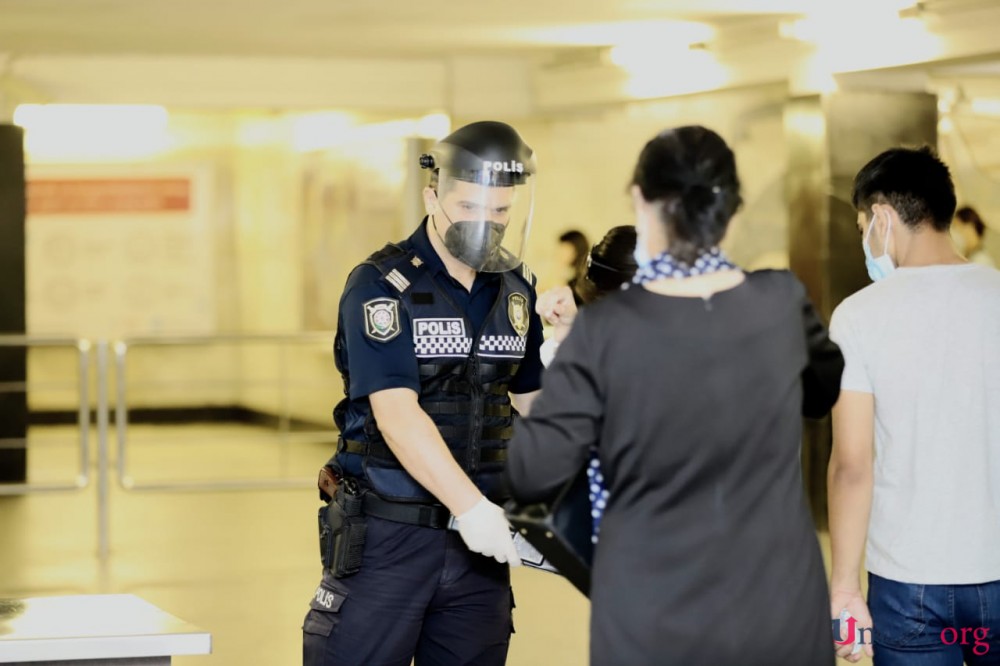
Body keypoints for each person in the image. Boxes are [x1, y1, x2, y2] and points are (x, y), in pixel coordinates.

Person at [506, 125, 844, 665]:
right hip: (780, 606)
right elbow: (821, 391)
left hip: (653, 612)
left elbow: (532, 471)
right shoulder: (782, 303)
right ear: (732, 210)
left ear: (640, 200)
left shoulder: (602, 332)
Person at [302, 120, 546, 666]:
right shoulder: (380, 285)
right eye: (469, 206)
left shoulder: (516, 288)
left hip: (480, 550)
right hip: (390, 537)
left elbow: (535, 402)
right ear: (431, 194)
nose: (486, 223)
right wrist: (471, 508)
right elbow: (396, 412)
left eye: (501, 211)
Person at [827, 147, 1000, 664]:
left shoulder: (857, 316)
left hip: (908, 586)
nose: (865, 240)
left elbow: (853, 466)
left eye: (863, 225)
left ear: (881, 217)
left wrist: (845, 591)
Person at [557, 229, 590, 306]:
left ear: (576, 250)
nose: (558, 254)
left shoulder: (581, 285)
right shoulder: (574, 282)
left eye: (564, 249)